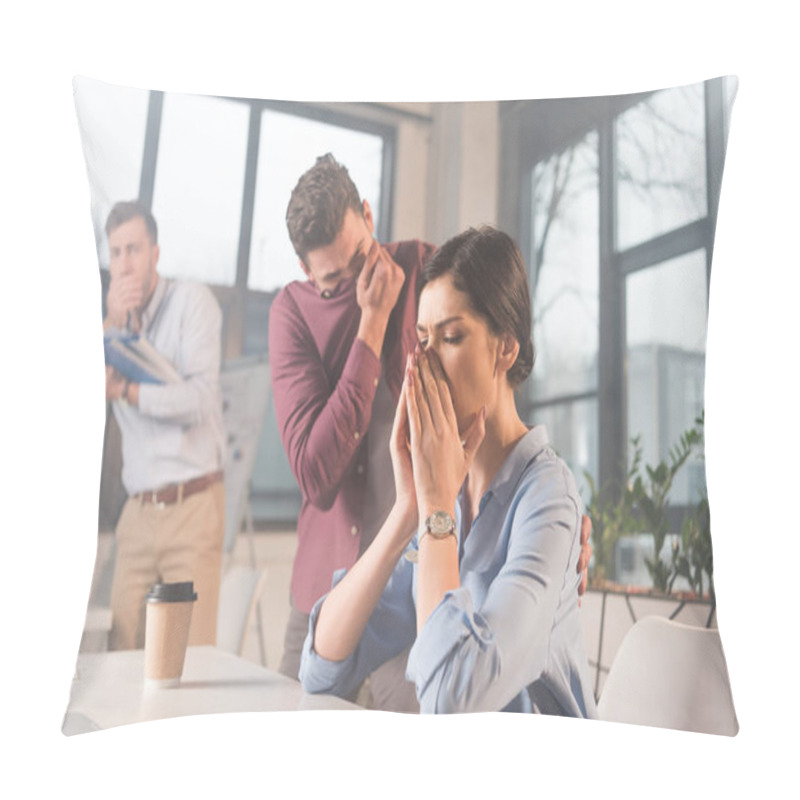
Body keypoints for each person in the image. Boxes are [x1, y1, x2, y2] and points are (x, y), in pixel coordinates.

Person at [269, 155, 591, 709]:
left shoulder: (538, 497)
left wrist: (443, 509)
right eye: (422, 337)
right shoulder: (448, 510)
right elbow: (321, 670)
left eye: (450, 337)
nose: (424, 363)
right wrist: (411, 510)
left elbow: (450, 702)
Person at [103, 200, 226, 651]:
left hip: (191, 505)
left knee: (189, 661)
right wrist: (112, 324)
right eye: (115, 253)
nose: (125, 264)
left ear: (156, 253)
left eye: (133, 250)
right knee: (120, 650)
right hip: (137, 512)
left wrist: (129, 392)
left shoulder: (192, 303)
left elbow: (200, 400)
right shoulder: (107, 329)